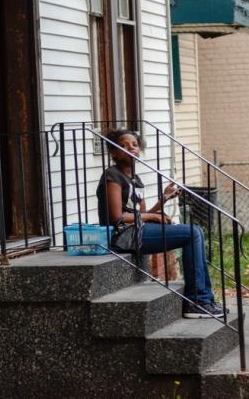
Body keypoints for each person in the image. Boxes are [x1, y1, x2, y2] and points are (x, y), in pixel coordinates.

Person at [96, 129, 225, 319]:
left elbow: (142, 214)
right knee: (192, 233)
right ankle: (198, 301)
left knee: (194, 231)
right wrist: (153, 218)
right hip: (122, 236)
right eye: (123, 146)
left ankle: (204, 299)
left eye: (134, 144)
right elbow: (118, 218)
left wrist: (163, 200)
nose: (131, 148)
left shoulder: (134, 179)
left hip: (137, 231)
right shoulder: (112, 176)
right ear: (113, 152)